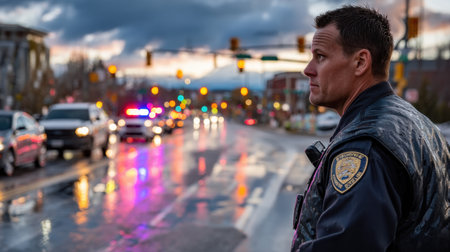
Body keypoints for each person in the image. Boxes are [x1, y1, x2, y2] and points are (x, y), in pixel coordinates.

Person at [291, 5, 450, 252]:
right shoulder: (419, 123)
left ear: (360, 62)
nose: (308, 69)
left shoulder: (364, 147)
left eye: (320, 56)